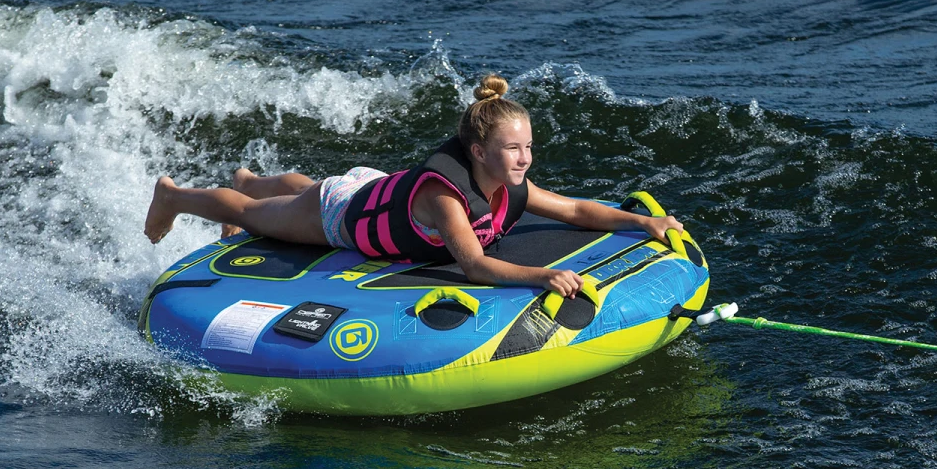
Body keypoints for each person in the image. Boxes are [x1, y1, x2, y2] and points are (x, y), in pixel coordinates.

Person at [143, 75, 684, 298]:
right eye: (513, 149)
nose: (525, 158)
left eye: (528, 146)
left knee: (305, 189)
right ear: (478, 153)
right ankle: (175, 196)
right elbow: (476, 267)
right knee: (250, 215)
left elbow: (577, 212)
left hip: (371, 189)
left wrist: (644, 221)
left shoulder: (511, 182)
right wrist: (542, 275)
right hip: (340, 217)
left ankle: (253, 179)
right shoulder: (446, 198)